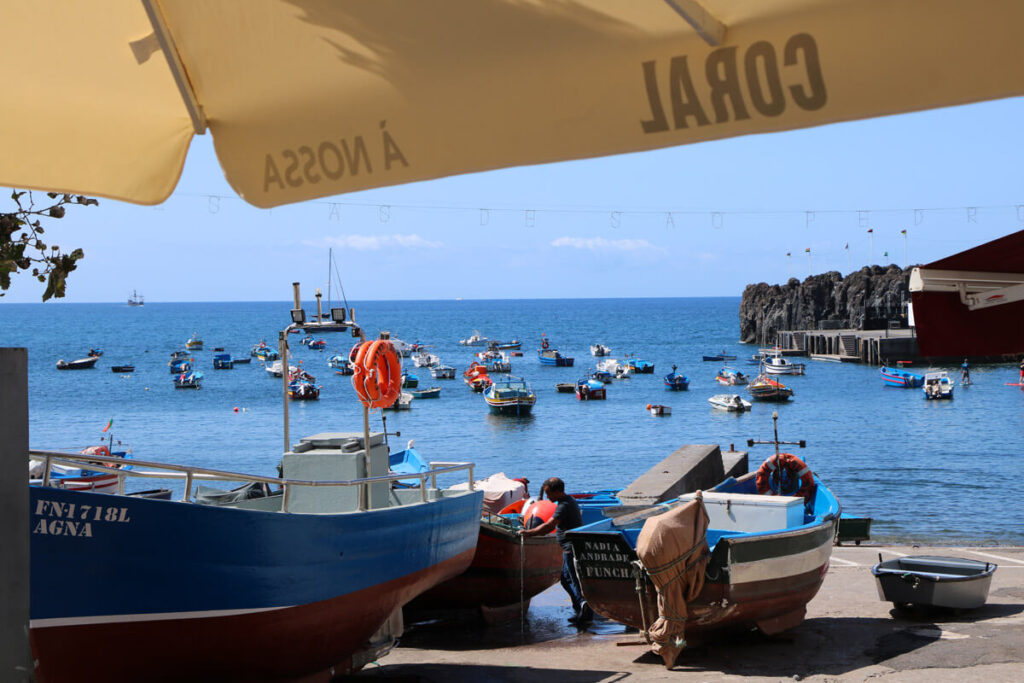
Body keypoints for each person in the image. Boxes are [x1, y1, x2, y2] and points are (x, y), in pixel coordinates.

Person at [519, 477, 592, 624]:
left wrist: (529, 533)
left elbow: (549, 525)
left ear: (558, 491)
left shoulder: (564, 505)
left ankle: (584, 607)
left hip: (570, 549)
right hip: (568, 548)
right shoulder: (567, 501)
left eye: (549, 493)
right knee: (566, 580)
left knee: (572, 580)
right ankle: (580, 609)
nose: (547, 497)